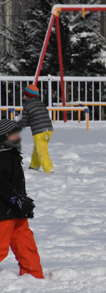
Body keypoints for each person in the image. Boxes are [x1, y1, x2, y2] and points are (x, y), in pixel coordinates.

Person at [0, 120, 44, 279]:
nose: (18, 137)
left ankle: (34, 276)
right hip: (3, 213)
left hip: (16, 211)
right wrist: (15, 197)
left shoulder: (12, 155)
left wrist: (23, 203)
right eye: (14, 134)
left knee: (26, 245)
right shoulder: (2, 157)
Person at [18, 84, 54, 173]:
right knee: (38, 148)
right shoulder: (41, 104)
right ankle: (34, 166)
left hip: (39, 132)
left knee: (42, 152)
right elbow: (39, 116)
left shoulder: (27, 106)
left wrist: (17, 124)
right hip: (49, 130)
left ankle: (49, 170)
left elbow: (25, 121)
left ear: (27, 96)